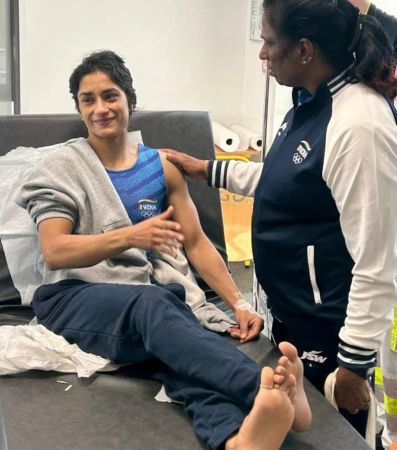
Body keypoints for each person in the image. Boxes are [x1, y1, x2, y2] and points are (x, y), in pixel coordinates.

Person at [15, 50, 311, 450]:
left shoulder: (161, 166)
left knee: (182, 352)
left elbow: (195, 242)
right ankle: (261, 389)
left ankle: (236, 440)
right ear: (79, 108)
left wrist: (238, 303)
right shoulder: (59, 168)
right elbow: (56, 251)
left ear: (129, 101)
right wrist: (130, 237)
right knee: (155, 305)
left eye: (110, 95)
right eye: (88, 100)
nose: (101, 108)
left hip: (150, 301)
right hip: (72, 297)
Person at [166, 0, 397, 437]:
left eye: (270, 42)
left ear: (305, 50)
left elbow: (378, 262)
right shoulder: (310, 101)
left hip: (331, 334)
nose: (261, 53)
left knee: (331, 438)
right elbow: (284, 175)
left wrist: (352, 364)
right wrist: (207, 169)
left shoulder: (358, 125)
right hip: (291, 314)